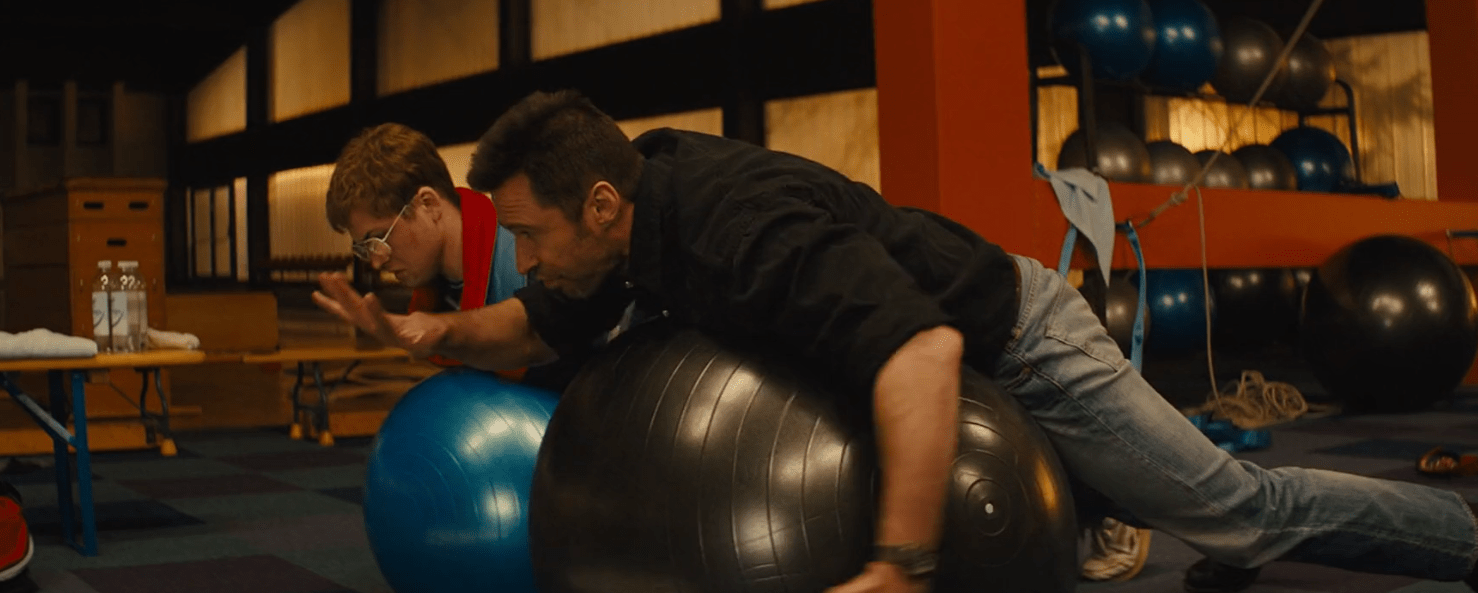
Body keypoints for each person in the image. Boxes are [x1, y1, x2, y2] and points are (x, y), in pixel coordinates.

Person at [314, 90, 1478, 593]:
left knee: (1237, 508)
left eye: (527, 233)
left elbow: (920, 353)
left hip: (1019, 341)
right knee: (1175, 507)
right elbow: (530, 326)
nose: (523, 256)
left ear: (601, 205)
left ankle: (1462, 537)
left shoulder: (735, 229)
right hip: (949, 361)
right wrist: (427, 332)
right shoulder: (615, 229)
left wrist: (895, 564)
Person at [324, 122, 584, 391]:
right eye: (367, 248)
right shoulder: (436, 292)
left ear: (428, 204)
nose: (377, 261)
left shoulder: (532, 255)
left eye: (380, 238)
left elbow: (536, 337)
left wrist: (442, 330)